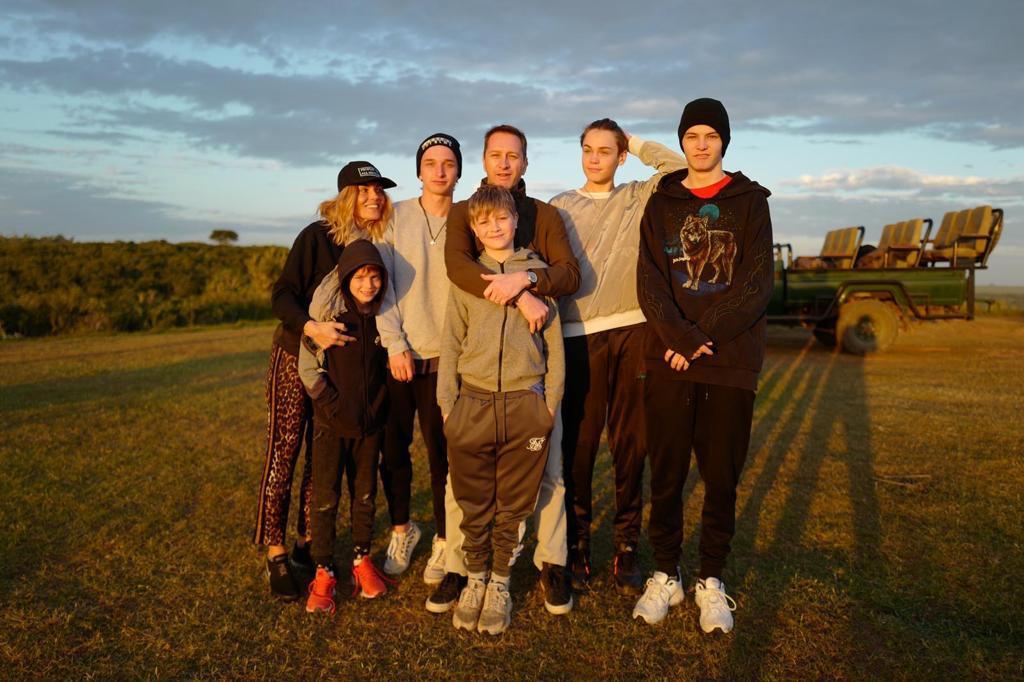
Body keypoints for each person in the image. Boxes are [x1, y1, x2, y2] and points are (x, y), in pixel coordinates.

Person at [633, 98, 774, 634]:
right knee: (666, 476)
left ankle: (710, 579)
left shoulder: (749, 202)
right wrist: (679, 338)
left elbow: (758, 282)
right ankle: (665, 573)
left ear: (724, 142)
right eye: (691, 135)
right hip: (669, 359)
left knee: (720, 478)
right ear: (683, 142)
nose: (700, 143)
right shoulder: (661, 202)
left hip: (728, 362)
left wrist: (700, 337)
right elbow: (649, 280)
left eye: (710, 135)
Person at [429, 124, 580, 616]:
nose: (505, 162)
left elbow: (567, 275)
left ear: (525, 162)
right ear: (485, 159)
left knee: (548, 473)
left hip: (527, 381)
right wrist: (518, 292)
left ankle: (551, 563)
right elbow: (458, 269)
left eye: (514, 155)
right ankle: (459, 566)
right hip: (475, 382)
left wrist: (526, 279)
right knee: (465, 479)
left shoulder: (545, 215)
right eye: (496, 154)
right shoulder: (462, 213)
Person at [550, 119, 686, 594]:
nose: (594, 158)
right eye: (587, 149)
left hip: (633, 330)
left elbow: (681, 167)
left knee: (631, 444)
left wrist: (634, 141)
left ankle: (627, 545)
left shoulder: (637, 196)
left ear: (620, 156)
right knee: (580, 447)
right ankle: (579, 544)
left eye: (605, 150)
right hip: (578, 335)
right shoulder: (561, 206)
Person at [253, 160, 394, 601]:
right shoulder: (318, 238)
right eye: (364, 189)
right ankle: (276, 553)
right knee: (286, 448)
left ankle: (305, 545)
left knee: (323, 460)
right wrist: (310, 327)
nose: (374, 196)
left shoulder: (377, 246)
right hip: (297, 353)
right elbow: (282, 295)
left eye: (379, 190)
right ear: (345, 195)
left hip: (344, 371)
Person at [376, 133, 463, 582]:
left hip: (447, 357)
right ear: (419, 170)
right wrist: (394, 343)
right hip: (400, 354)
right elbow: (380, 284)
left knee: (443, 453)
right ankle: (402, 528)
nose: (440, 170)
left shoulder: (468, 218)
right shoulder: (396, 217)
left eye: (448, 163)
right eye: (431, 162)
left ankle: (446, 540)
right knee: (394, 451)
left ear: (458, 170)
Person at [299, 239, 392, 613]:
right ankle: (323, 571)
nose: (368, 284)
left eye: (375, 277)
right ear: (346, 279)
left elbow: (387, 370)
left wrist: (380, 403)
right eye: (360, 277)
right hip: (330, 426)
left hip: (369, 427)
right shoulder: (332, 322)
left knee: (365, 495)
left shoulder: (385, 320)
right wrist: (330, 403)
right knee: (325, 500)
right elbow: (307, 365)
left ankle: (361, 560)